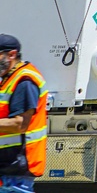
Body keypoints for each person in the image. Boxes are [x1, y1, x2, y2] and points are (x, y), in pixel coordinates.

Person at [0, 35, 47, 192]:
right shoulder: (8, 79)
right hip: (8, 168)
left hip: (17, 169)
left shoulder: (25, 80)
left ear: (11, 55)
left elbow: (20, 123)